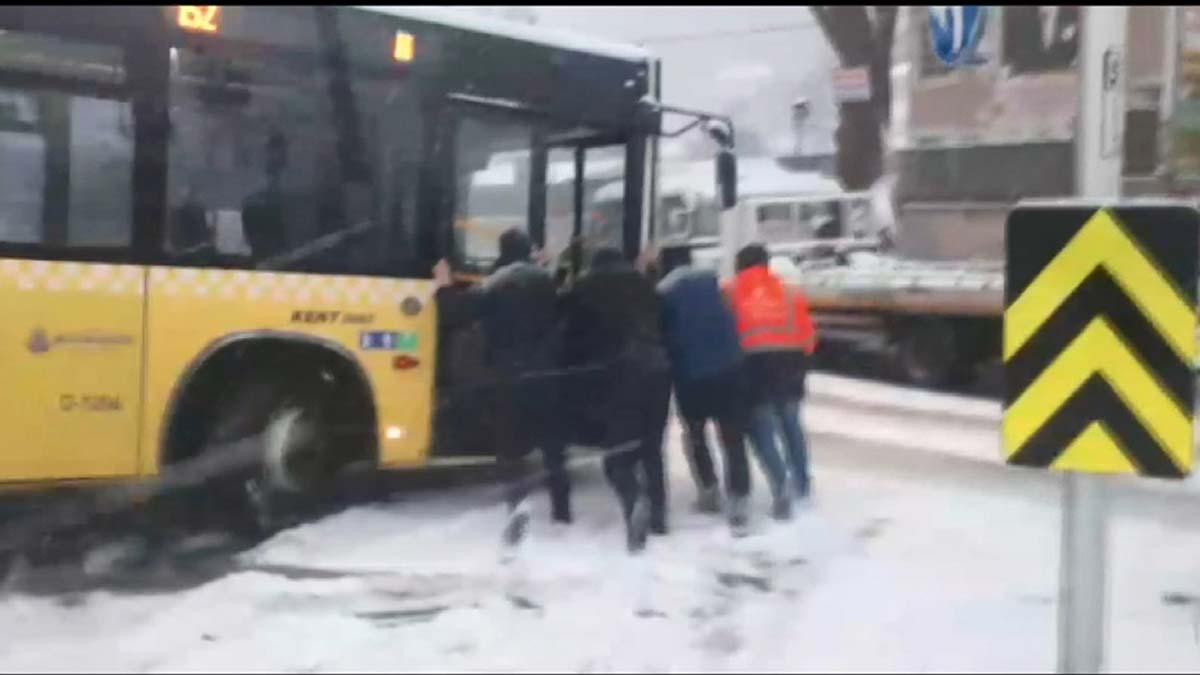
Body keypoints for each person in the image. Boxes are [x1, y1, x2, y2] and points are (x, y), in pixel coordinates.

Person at [432, 228, 570, 548]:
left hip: (509, 374)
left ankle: (517, 508)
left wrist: (443, 284)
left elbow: (457, 312)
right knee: (553, 445)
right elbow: (559, 302)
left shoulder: (497, 282)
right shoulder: (543, 280)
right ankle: (562, 510)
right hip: (547, 373)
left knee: (511, 448)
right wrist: (550, 266)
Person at [560, 246, 671, 552]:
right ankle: (659, 517)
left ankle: (634, 504)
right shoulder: (645, 286)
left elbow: (572, 336)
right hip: (659, 369)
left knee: (617, 456)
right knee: (652, 448)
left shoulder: (585, 288)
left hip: (619, 373)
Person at [655, 244, 753, 536]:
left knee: (696, 434)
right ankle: (739, 500)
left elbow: (662, 336)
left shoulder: (664, 296)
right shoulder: (715, 287)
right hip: (731, 369)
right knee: (733, 438)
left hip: (691, 375)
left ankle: (709, 490)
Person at [725, 243, 817, 513]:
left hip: (753, 365)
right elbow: (808, 337)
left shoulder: (729, 292)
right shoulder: (790, 291)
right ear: (766, 265)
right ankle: (802, 481)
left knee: (763, 426)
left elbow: (725, 333)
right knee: (791, 423)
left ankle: (781, 486)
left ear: (739, 266)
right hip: (790, 362)